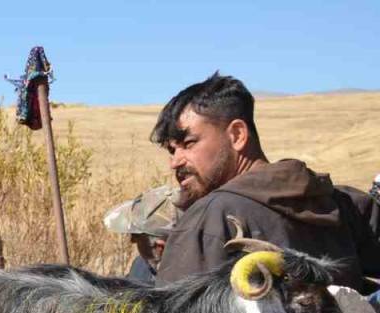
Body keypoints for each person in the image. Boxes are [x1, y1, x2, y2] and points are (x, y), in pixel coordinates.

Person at [151, 73, 378, 290]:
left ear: (237, 135)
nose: (175, 162)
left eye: (188, 143)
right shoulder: (349, 204)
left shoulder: (212, 218)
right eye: (172, 150)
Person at [101, 184, 182, 283]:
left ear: (159, 248)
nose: (132, 240)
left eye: (136, 235)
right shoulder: (141, 266)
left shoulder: (184, 285)